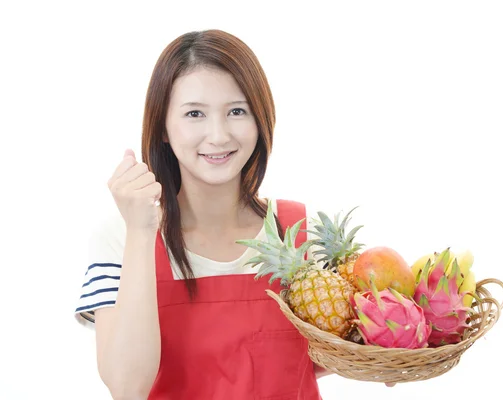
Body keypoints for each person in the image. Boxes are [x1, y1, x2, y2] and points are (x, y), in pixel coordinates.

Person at [74, 29, 332, 399]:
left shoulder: (299, 234)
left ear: (260, 119)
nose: (219, 135)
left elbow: (317, 357)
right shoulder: (120, 237)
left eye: (237, 111)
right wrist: (142, 231)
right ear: (163, 126)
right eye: (195, 113)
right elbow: (127, 387)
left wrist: (387, 348)